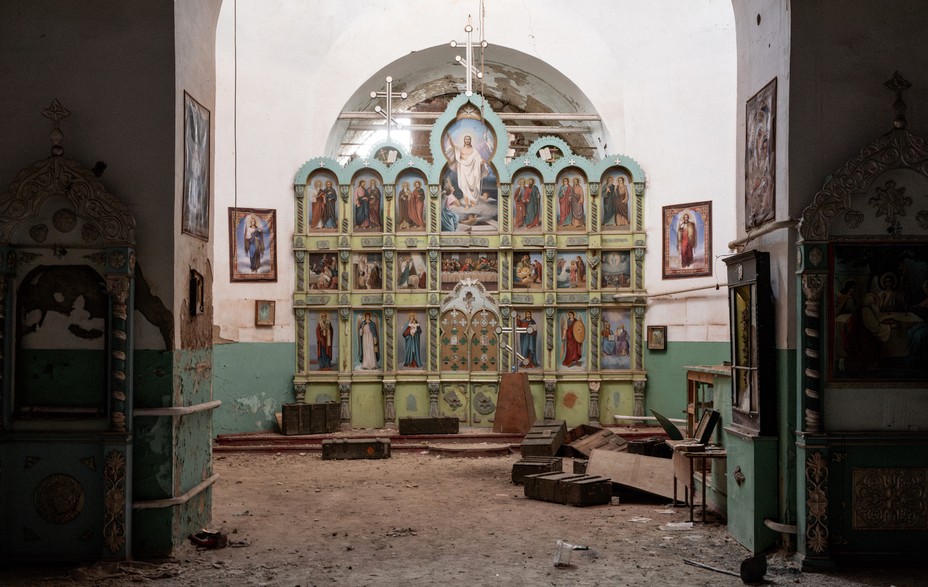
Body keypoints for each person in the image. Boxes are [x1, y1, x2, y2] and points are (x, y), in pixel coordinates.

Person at [445, 134, 485, 208]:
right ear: (464, 140)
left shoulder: (474, 151)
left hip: (472, 170)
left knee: (473, 187)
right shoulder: (460, 149)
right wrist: (449, 137)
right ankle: (467, 204)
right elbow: (453, 145)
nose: (467, 140)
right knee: (464, 187)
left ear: (470, 141)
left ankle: (473, 202)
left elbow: (478, 159)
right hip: (463, 170)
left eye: (468, 139)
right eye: (466, 139)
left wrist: (481, 163)